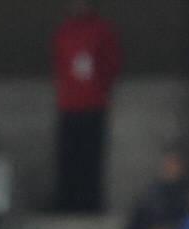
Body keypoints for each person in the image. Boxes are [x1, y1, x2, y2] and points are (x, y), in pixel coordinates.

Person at [51, 0, 121, 215]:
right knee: (68, 155)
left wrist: (101, 87)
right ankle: (66, 201)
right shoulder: (63, 32)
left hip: (94, 103)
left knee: (90, 157)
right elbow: (59, 64)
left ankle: (89, 203)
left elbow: (112, 63)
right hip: (69, 104)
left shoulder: (102, 30)